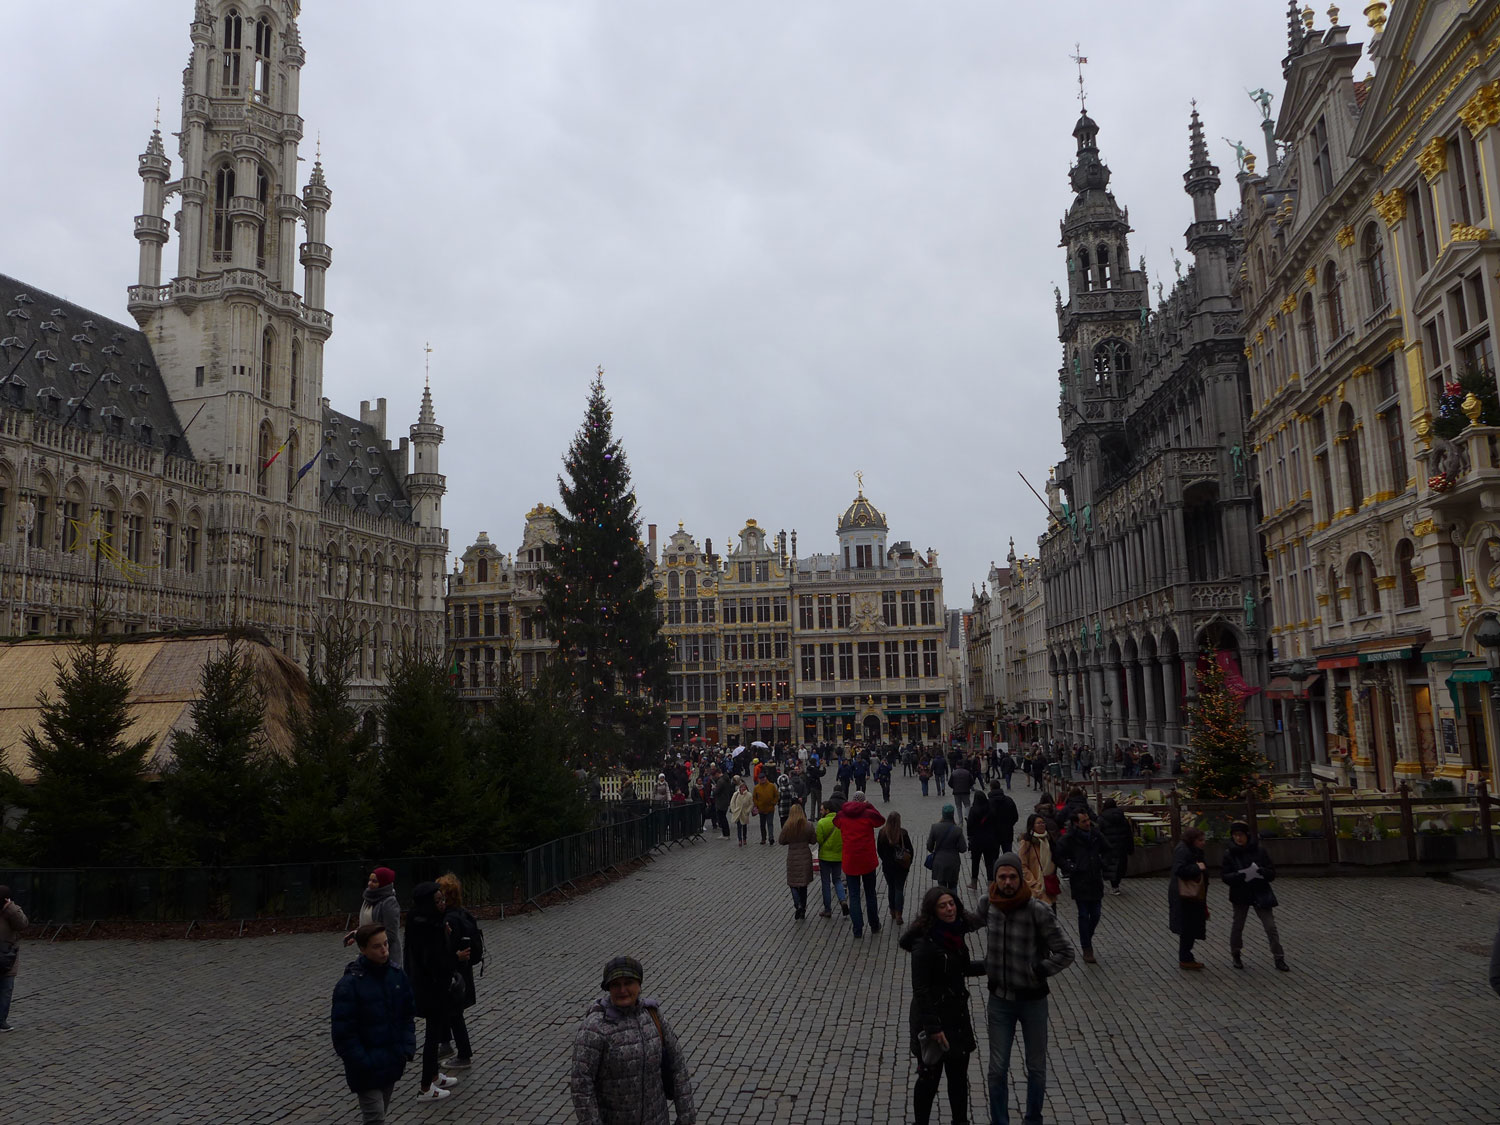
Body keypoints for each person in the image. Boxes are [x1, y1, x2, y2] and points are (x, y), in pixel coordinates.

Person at [968, 853, 1075, 1125]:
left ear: (1020, 877)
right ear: (995, 878)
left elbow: (1065, 952)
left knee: (1036, 1067)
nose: (1007, 882)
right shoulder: (988, 904)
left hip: (1033, 1002)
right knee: (996, 1068)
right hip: (999, 1000)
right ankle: (999, 1121)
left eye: (1012, 877)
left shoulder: (1037, 910)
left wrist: (1038, 970)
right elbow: (964, 925)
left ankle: (1033, 1118)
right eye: (1002, 877)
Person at [570, 956, 696, 1125]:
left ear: (639, 984)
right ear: (608, 988)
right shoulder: (594, 1027)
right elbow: (581, 1085)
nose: (622, 990)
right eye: (616, 984)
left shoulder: (653, 1015)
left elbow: (678, 1066)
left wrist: (686, 1117)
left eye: (628, 982)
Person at [900, 887, 986, 1125]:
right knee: (929, 1078)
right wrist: (933, 1027)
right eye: (943, 906)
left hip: (957, 1016)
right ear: (932, 911)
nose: (950, 909)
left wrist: (991, 965)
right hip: (933, 1021)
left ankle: (960, 1121)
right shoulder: (923, 945)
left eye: (952, 904)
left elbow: (963, 968)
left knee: (958, 1078)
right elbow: (921, 990)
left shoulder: (955, 935)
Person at [332, 923, 417, 1124]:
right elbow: (343, 1033)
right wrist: (362, 1062)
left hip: (391, 1060)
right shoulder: (349, 986)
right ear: (363, 949)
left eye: (386, 944)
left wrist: (405, 1048)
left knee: (379, 1113)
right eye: (377, 946)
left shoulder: (396, 976)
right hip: (366, 1067)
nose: (384, 950)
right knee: (375, 1116)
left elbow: (407, 1015)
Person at [404, 881, 467, 1100]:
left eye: (443, 899)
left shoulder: (422, 919)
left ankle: (433, 1075)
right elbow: (435, 961)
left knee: (437, 1031)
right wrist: (455, 957)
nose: (442, 904)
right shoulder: (427, 926)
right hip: (431, 988)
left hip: (429, 986)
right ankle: (425, 1086)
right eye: (438, 901)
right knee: (433, 1036)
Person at [1221, 820, 1289, 971]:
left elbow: (1271, 873)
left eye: (1240, 835)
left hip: (1260, 891)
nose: (1238, 838)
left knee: (1270, 926)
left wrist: (1261, 872)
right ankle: (1236, 953)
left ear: (1246, 835)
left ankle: (1279, 957)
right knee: (1238, 926)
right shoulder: (1229, 854)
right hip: (1240, 892)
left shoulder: (1259, 851)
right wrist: (1239, 875)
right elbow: (1225, 877)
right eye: (1235, 835)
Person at [1054, 808, 1111, 964]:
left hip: (1095, 880)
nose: (1087, 823)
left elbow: (1108, 850)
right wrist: (1071, 867)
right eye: (1084, 821)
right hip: (1080, 881)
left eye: (1088, 820)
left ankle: (1087, 936)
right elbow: (1058, 855)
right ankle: (1087, 947)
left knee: (1097, 913)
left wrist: (1102, 863)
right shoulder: (1070, 838)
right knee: (1084, 915)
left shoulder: (1096, 835)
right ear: (1076, 823)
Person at [435, 873, 480, 1069]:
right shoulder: (462, 914)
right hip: (464, 973)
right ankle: (446, 1045)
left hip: (454, 975)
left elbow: (448, 949)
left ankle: (463, 1054)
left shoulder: (450, 920)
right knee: (452, 1013)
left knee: (454, 1014)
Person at [835, 790, 887, 939]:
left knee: (854, 896)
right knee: (870, 894)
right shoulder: (868, 814)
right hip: (867, 860)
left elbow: (835, 822)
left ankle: (857, 929)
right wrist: (868, 806)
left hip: (850, 861)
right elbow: (880, 820)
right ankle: (874, 924)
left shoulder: (842, 815)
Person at [345, 868, 401, 972]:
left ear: (383, 883)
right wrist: (357, 933)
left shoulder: (389, 902)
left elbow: (391, 934)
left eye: (375, 881)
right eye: (369, 880)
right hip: (368, 953)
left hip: (384, 957)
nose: (370, 884)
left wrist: (370, 941)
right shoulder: (368, 897)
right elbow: (367, 923)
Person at [1169, 826, 1209, 970]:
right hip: (1185, 896)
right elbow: (1180, 870)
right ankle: (1185, 957)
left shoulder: (1189, 850)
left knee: (1189, 927)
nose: (1203, 843)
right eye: (1200, 840)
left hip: (1190, 896)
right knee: (1187, 927)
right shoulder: (1184, 851)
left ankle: (1186, 956)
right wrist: (1198, 868)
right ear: (1192, 840)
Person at [779, 804, 818, 919]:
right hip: (805, 856)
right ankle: (803, 907)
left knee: (793, 883)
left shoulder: (788, 826)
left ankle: (798, 904)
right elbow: (813, 840)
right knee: (803, 884)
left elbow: (781, 840)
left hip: (792, 856)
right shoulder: (808, 825)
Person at [876, 811, 915, 925]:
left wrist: (885, 860)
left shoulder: (882, 833)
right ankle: (899, 913)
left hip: (888, 867)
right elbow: (910, 850)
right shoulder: (903, 833)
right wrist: (909, 862)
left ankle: (892, 910)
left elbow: (879, 850)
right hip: (901, 866)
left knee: (891, 888)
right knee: (899, 889)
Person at [1017, 815, 1058, 912]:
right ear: (1032, 826)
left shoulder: (1049, 840)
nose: (1042, 825)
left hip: (1049, 886)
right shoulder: (1027, 843)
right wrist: (1033, 883)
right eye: (1039, 823)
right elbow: (1022, 865)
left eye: (1043, 823)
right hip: (1035, 888)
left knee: (1051, 917)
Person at [816, 800, 849, 918]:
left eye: (821, 809)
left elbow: (819, 840)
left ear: (827, 811)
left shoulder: (821, 823)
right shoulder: (841, 821)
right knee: (837, 880)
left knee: (825, 882)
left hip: (825, 857)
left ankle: (828, 909)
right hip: (838, 856)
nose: (820, 811)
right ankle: (842, 900)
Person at [0, 885, 27, 1032]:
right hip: (6, 953)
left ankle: (1, 1020)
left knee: (6, 988)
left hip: (7, 955)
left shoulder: (11, 912)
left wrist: (10, 908)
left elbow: (22, 924)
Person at [926, 805, 968, 894]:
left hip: (939, 861)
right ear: (952, 815)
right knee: (953, 886)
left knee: (942, 887)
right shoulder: (957, 830)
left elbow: (929, 846)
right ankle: (954, 903)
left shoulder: (935, 827)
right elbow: (963, 849)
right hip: (953, 862)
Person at [1096, 799, 1135, 895]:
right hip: (1121, 845)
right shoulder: (1122, 818)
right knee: (1120, 866)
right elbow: (1128, 833)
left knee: (1111, 865)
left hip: (1108, 846)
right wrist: (1130, 848)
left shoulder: (1102, 818)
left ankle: (1114, 885)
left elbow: (1098, 833)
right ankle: (1116, 884)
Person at [966, 790, 999, 890]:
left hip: (976, 840)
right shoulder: (991, 810)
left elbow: (969, 826)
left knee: (975, 862)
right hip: (989, 839)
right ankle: (990, 883)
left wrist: (969, 837)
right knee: (989, 862)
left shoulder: (973, 810)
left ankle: (974, 882)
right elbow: (995, 824)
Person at [991, 782, 1019, 852]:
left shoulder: (989, 802)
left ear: (991, 788)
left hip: (994, 833)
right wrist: (1009, 824)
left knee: (994, 856)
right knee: (1008, 855)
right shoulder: (1009, 800)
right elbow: (1015, 816)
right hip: (1007, 832)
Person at [753, 771, 780, 845]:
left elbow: (776, 795)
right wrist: (757, 804)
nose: (762, 780)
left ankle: (771, 837)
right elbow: (754, 797)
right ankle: (763, 838)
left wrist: (774, 803)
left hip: (770, 808)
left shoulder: (771, 786)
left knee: (770, 823)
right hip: (761, 809)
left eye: (763, 778)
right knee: (762, 824)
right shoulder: (756, 788)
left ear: (766, 778)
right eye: (760, 778)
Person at [728, 778, 754, 847]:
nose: (743, 789)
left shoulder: (749, 795)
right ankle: (740, 840)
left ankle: (744, 838)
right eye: (742, 787)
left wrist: (748, 810)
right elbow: (732, 802)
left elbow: (751, 804)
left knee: (744, 826)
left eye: (744, 787)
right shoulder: (736, 794)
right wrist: (734, 810)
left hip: (745, 813)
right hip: (738, 813)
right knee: (739, 827)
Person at [712, 769, 735, 839]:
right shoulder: (726, 779)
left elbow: (716, 792)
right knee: (723, 817)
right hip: (725, 800)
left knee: (722, 818)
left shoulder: (720, 781)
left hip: (721, 801)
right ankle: (725, 833)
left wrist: (713, 789)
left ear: (717, 773)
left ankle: (726, 834)